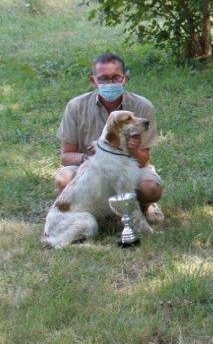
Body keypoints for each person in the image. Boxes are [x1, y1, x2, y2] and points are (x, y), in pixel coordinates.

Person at [55, 53, 165, 224]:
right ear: (93, 80)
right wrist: (88, 157)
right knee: (64, 178)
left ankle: (145, 205)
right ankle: (93, 209)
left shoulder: (142, 106)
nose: (110, 83)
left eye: (116, 78)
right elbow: (66, 156)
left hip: (128, 167)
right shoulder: (76, 106)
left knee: (151, 189)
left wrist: (133, 150)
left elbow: (144, 160)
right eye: (104, 79)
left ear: (125, 78)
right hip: (92, 169)